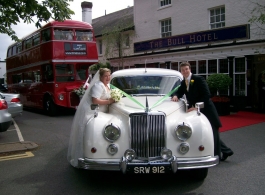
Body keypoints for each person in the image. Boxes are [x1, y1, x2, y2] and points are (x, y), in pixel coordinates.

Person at [171, 62, 234, 161]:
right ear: (181, 72)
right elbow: (179, 91)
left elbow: (207, 95)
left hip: (207, 110)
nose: (185, 71)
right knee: (210, 133)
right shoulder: (184, 82)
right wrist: (175, 95)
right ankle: (226, 151)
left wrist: (196, 107)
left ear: (190, 69)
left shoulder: (198, 79)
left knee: (213, 132)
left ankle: (217, 155)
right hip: (198, 112)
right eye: (183, 70)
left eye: (186, 69)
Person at [67, 68, 115, 167]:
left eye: (109, 75)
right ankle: (83, 154)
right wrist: (109, 101)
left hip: (101, 111)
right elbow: (95, 100)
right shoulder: (98, 85)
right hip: (92, 110)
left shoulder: (108, 85)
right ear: (100, 77)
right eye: (105, 76)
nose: (108, 77)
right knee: (89, 132)